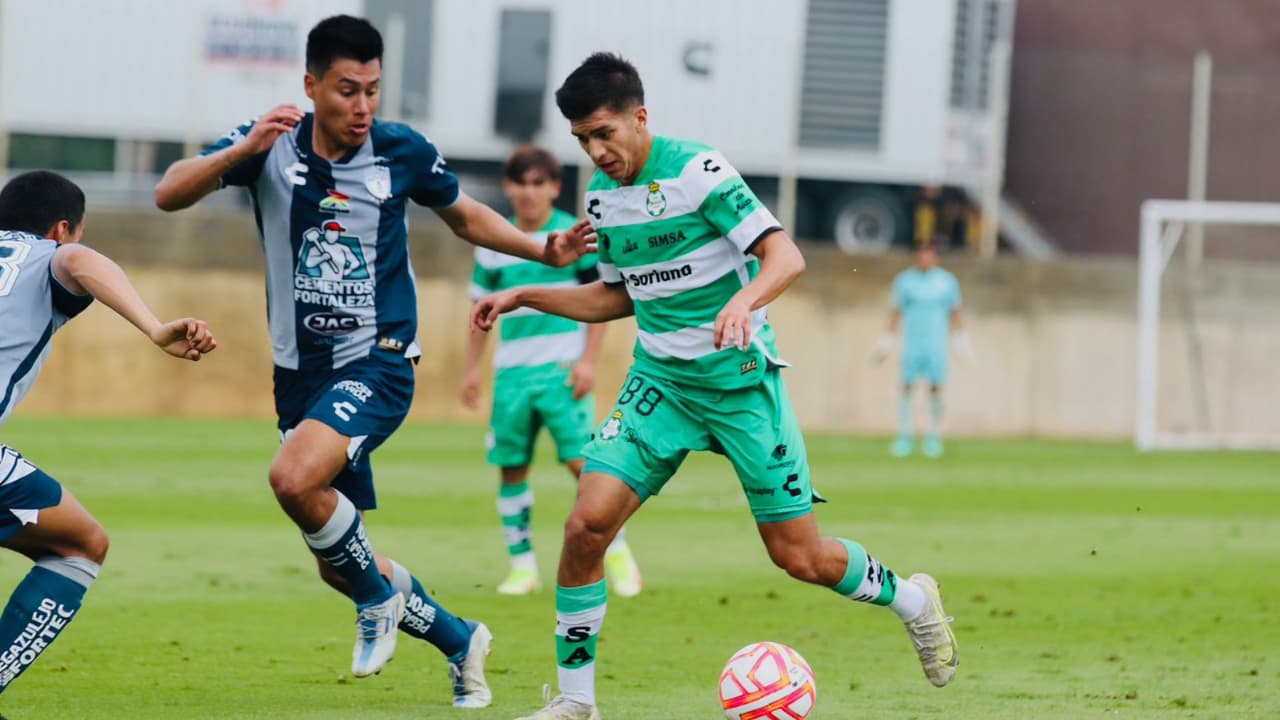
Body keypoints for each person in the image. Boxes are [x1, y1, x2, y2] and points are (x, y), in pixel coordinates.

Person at [471, 53, 959, 720]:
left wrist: (743, 302)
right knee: (586, 526)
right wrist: (528, 294)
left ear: (640, 118)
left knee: (800, 556)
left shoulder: (699, 172)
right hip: (661, 387)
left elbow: (785, 256)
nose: (595, 149)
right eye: (583, 138)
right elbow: (618, 299)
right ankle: (578, 703)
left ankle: (913, 601)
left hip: (741, 386)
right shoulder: (603, 202)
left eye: (605, 132)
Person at [154, 15, 589, 707]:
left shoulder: (400, 151)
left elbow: (466, 214)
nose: (362, 107)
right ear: (311, 85)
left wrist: (542, 251)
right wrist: (241, 150)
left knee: (293, 479)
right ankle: (457, 637)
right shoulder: (269, 145)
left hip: (380, 361)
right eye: (347, 90)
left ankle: (377, 606)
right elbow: (170, 192)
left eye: (373, 90)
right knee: (340, 558)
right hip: (299, 376)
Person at [0, 170, 217, 695]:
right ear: (61, 228)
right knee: (79, 544)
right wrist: (153, 327)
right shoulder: (48, 254)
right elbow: (78, 262)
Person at [461, 145, 642, 598]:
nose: (529, 192)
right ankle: (522, 567)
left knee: (582, 465)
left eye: (538, 183)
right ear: (508, 187)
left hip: (561, 371)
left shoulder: (571, 236)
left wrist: (587, 362)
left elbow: (599, 298)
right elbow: (480, 312)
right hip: (511, 377)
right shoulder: (496, 243)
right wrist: (471, 371)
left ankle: (615, 548)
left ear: (555, 188)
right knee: (511, 467)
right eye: (521, 183)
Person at [872, 238, 972, 458]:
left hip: (936, 344)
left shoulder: (947, 281)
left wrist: (961, 339)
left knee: (936, 387)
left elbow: (955, 312)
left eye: (929, 253)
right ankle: (905, 437)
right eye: (921, 253)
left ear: (935, 256)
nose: (925, 257)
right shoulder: (905, 281)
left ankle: (933, 437)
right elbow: (896, 312)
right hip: (912, 344)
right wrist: (886, 340)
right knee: (907, 387)